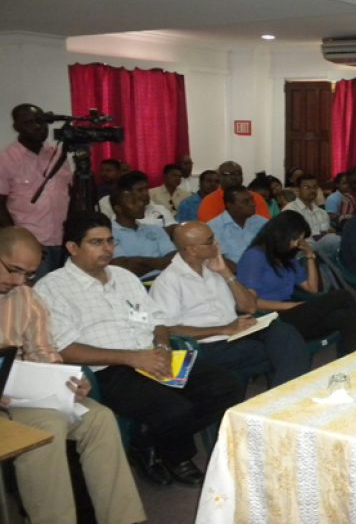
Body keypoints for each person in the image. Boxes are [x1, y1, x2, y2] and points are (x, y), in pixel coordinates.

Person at [34, 213, 244, 487]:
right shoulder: (53, 287)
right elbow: (66, 348)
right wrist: (133, 358)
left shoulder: (123, 277)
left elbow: (158, 321)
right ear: (73, 248)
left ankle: (146, 441)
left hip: (152, 354)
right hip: (110, 369)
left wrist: (161, 346)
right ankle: (176, 455)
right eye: (96, 243)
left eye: (110, 241)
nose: (107, 249)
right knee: (174, 409)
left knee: (228, 385)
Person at [0, 226, 145, 524]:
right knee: (48, 427)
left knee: (99, 418)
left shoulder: (24, 296)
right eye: (13, 270)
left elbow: (43, 350)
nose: (17, 282)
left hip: (20, 391)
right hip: (11, 401)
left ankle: (123, 519)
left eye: (27, 274)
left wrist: (65, 382)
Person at [149, 221, 310, 385]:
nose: (217, 243)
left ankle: (285, 396)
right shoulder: (168, 281)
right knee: (285, 352)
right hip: (208, 345)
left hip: (237, 334)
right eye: (210, 241)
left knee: (284, 333)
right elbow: (168, 328)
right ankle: (287, 397)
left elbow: (249, 307)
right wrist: (224, 329)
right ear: (192, 250)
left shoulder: (214, 269)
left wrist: (225, 272)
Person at [237, 210, 356, 357]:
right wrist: (291, 306)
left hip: (293, 312)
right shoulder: (255, 256)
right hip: (270, 318)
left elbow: (312, 288)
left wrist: (310, 256)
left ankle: (353, 360)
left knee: (344, 316)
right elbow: (251, 304)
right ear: (281, 234)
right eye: (296, 239)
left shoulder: (286, 258)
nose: (298, 244)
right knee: (342, 296)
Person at [0, 103, 72, 278]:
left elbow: (71, 193)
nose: (38, 126)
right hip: (32, 244)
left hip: (64, 241)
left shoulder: (58, 154)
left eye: (41, 121)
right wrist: (21, 243)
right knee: (37, 297)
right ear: (17, 127)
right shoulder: (7, 159)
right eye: (29, 122)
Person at [110, 188, 176, 277]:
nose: (141, 204)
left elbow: (174, 259)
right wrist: (161, 263)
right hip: (136, 284)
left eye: (140, 201)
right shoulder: (110, 234)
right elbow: (124, 269)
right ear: (118, 208)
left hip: (166, 279)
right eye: (134, 202)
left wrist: (139, 261)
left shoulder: (155, 229)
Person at [99, 171, 177, 233]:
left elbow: (174, 228)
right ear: (127, 193)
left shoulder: (159, 209)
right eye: (140, 190)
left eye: (146, 188)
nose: (146, 193)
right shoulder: (118, 211)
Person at [207, 185, 268, 263]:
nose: (253, 204)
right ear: (230, 205)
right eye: (246, 202)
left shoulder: (262, 222)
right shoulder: (214, 227)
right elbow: (218, 259)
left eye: (252, 199)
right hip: (231, 272)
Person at [283, 174, 340, 256]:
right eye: (307, 187)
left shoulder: (322, 212)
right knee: (333, 240)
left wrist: (326, 235)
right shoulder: (290, 210)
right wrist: (322, 236)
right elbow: (294, 240)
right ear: (298, 189)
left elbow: (323, 235)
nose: (312, 190)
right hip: (300, 254)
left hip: (323, 252)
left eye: (315, 187)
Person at [197, 161, 271, 222]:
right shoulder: (209, 201)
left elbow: (265, 225)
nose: (233, 177)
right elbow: (211, 229)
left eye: (238, 174)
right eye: (228, 174)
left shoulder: (255, 197)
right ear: (219, 177)